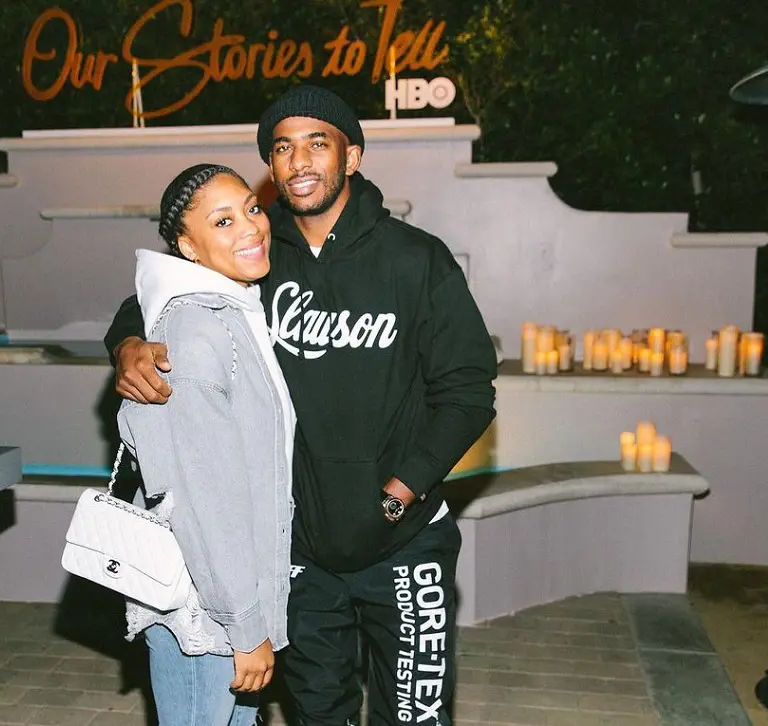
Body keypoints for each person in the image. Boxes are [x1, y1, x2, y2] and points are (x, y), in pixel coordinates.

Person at [105, 85, 498, 725]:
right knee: (318, 714)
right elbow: (165, 290)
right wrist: (127, 342)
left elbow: (469, 388)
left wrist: (403, 488)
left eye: (319, 142)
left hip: (405, 544)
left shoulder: (416, 258)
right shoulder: (260, 254)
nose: (300, 160)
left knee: (416, 718)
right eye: (283, 147)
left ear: (353, 156)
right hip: (298, 556)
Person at [116, 163, 296, 726]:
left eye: (251, 208)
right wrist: (245, 627)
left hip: (222, 598)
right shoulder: (195, 333)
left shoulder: (236, 310)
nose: (249, 227)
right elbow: (204, 499)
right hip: (204, 610)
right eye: (223, 221)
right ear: (187, 247)